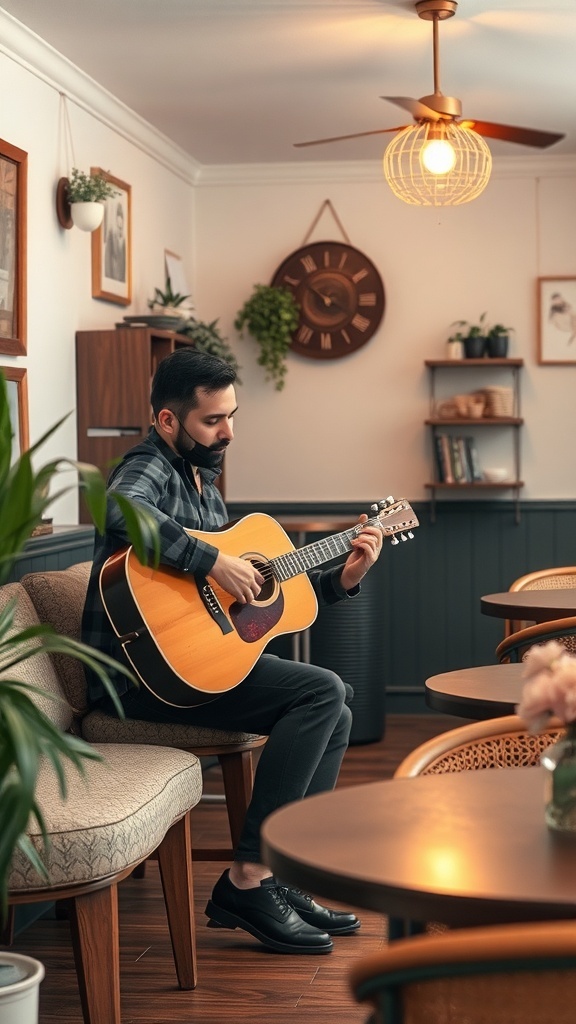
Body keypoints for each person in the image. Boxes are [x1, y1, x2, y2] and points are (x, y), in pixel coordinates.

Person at [81, 347, 384, 955]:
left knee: (337, 708)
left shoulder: (206, 483)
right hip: (142, 676)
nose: (228, 433)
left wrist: (343, 578)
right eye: (213, 421)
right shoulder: (150, 466)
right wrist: (214, 559)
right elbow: (119, 510)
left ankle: (282, 873)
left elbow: (261, 602)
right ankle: (247, 880)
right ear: (168, 421)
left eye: (232, 416)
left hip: (194, 662)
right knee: (322, 689)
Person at [104, 201, 126, 282]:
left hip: (120, 277)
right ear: (116, 219)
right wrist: (109, 276)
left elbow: (124, 262)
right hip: (112, 274)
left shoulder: (123, 239)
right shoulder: (111, 235)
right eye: (119, 218)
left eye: (122, 219)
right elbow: (108, 257)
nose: (120, 222)